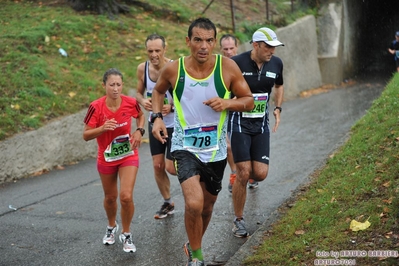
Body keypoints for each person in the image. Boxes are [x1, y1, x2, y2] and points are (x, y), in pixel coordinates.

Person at [151, 18, 254, 266]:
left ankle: (192, 246)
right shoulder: (174, 70)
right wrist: (156, 118)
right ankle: (197, 258)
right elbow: (157, 91)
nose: (203, 46)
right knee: (194, 203)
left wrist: (227, 103)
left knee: (207, 208)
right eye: (198, 40)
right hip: (184, 147)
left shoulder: (227, 68)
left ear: (215, 42)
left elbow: (248, 100)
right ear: (188, 41)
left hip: (215, 151)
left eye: (209, 40)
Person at [229, 27, 285, 238]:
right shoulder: (236, 63)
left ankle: (238, 181)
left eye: (274, 47)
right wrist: (233, 101)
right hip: (239, 123)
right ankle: (238, 220)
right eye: (268, 47)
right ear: (256, 45)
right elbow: (223, 89)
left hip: (260, 124)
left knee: (259, 173)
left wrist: (278, 108)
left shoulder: (277, 63)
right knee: (243, 172)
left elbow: (279, 86)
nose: (272, 51)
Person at [83, 68, 145, 253]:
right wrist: (102, 128)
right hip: (106, 156)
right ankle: (112, 226)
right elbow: (86, 135)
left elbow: (140, 116)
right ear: (104, 86)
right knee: (111, 198)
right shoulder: (96, 107)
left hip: (127, 153)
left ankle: (126, 233)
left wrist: (139, 131)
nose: (116, 89)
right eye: (112, 85)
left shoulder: (130, 102)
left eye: (119, 85)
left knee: (126, 196)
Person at [136, 34, 177, 219]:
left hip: (175, 125)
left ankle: (197, 187)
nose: (154, 55)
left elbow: (188, 95)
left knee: (171, 167)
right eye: (150, 51)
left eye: (157, 51)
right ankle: (168, 202)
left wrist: (173, 106)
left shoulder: (174, 67)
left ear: (164, 49)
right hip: (155, 125)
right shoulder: (142, 69)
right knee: (158, 165)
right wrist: (143, 99)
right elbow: (137, 92)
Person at [219, 34, 239, 193]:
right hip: (224, 112)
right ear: (221, 50)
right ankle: (234, 173)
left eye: (231, 48)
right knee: (228, 146)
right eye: (225, 49)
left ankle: (248, 172)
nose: (229, 51)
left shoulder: (244, 64)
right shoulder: (217, 65)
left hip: (241, 110)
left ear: (236, 48)